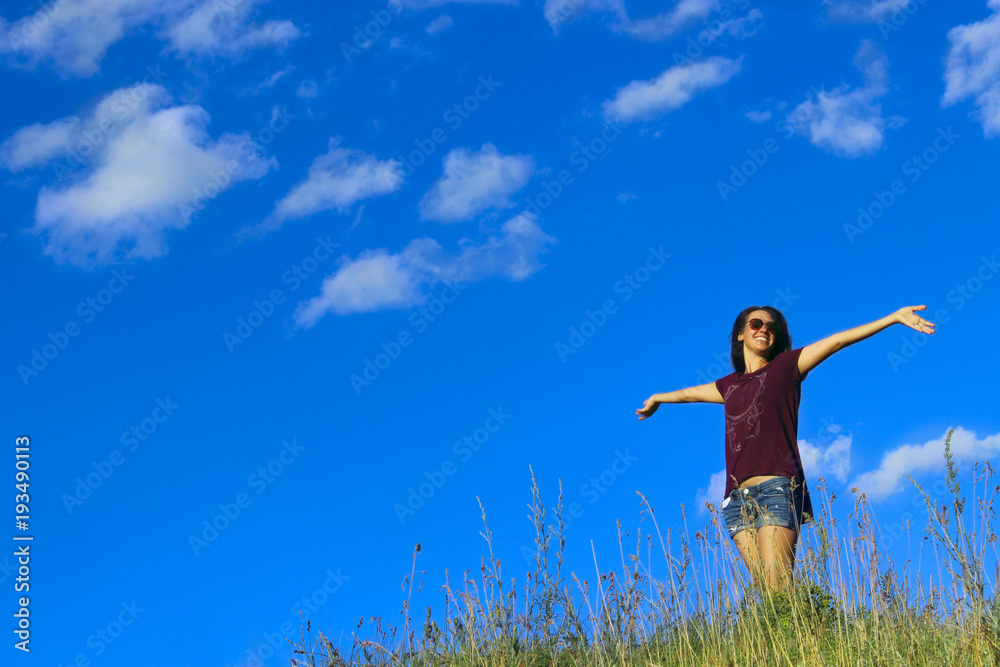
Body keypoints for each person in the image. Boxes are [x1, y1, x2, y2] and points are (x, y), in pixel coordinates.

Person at [635, 305, 936, 591]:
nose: (764, 329)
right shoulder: (728, 386)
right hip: (735, 500)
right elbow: (689, 395)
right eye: (756, 324)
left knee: (779, 587)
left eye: (771, 326)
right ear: (740, 334)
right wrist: (659, 398)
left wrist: (894, 318)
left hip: (777, 489)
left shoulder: (786, 367)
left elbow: (836, 341)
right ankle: (793, 642)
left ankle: (812, 641)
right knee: (769, 593)